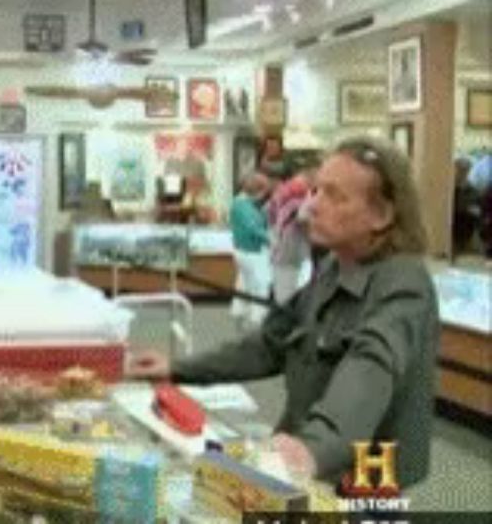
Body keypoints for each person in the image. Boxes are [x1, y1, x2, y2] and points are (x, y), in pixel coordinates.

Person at [130, 136, 439, 489]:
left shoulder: (404, 284)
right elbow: (270, 343)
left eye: (334, 196)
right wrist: (176, 368)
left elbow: (371, 366)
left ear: (382, 215)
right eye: (316, 191)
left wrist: (313, 449)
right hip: (303, 460)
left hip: (365, 476)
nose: (312, 207)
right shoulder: (333, 268)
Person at [267, 155, 317, 305]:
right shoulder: (300, 189)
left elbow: (270, 212)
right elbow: (303, 216)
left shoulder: (283, 188)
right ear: (310, 172)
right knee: (290, 285)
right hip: (292, 242)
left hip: (281, 238)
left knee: (283, 282)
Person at [228, 171, 272, 330]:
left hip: (242, 251)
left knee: (244, 283)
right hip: (252, 252)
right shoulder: (243, 206)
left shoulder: (240, 203)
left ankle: (239, 313)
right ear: (257, 190)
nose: (264, 197)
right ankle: (257, 320)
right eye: (264, 192)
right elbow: (254, 228)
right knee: (260, 286)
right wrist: (272, 240)